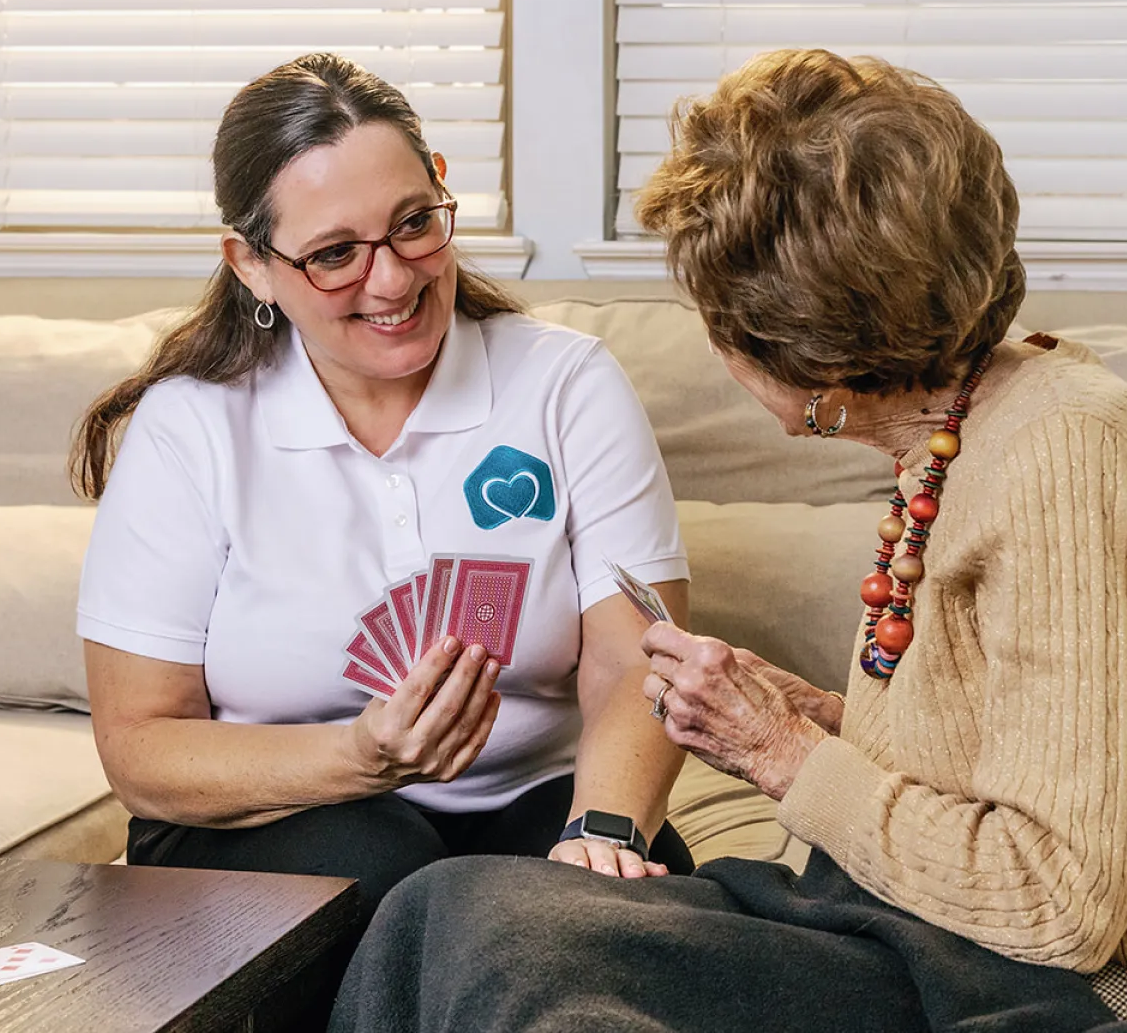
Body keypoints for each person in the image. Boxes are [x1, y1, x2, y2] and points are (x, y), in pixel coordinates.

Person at [328, 50, 1127, 1033]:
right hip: (927, 938)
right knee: (445, 909)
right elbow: (1015, 755)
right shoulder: (966, 431)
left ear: (810, 356)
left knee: (515, 952)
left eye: (719, 316)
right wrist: (813, 717)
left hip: (1114, 998)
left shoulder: (1067, 461)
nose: (714, 344)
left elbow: (1055, 903)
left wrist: (781, 753)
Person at [70, 54, 698, 932]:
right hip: (272, 815)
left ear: (443, 189)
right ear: (251, 264)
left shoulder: (566, 384)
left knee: (626, 890)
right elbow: (140, 748)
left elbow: (638, 659)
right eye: (334, 254)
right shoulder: (192, 427)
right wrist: (359, 756)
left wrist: (600, 831)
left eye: (414, 224)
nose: (395, 279)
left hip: (536, 801)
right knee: (391, 878)